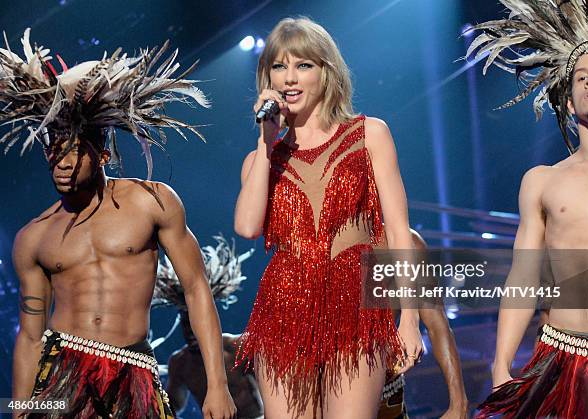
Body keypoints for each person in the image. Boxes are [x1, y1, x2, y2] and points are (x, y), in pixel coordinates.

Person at [5, 30, 236, 418]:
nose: (61, 163)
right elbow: (30, 337)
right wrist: (20, 411)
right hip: (61, 373)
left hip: (134, 372)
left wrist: (218, 385)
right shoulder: (34, 237)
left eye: (74, 152)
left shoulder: (152, 201)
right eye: (53, 151)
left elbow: (197, 290)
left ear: (103, 153)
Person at [234, 17, 422, 419]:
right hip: (283, 309)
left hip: (356, 307)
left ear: (327, 73)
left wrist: (410, 317)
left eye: (303, 65)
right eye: (278, 66)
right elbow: (247, 227)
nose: (289, 77)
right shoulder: (261, 159)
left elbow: (399, 232)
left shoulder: (370, 134)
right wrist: (266, 144)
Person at [468, 1, 588, 417]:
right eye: (581, 78)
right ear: (567, 102)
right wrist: (501, 363)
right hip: (564, 358)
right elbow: (524, 275)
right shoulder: (542, 180)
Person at [154, 236, 263, 418]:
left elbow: (278, 384)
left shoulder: (238, 346)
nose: (190, 332)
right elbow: (173, 406)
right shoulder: (180, 363)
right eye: (186, 325)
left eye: (193, 324)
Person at [377, 230, 468, 419]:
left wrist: (458, 404)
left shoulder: (407, 244)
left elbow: (437, 325)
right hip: (320, 383)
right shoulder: (311, 245)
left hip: (384, 386)